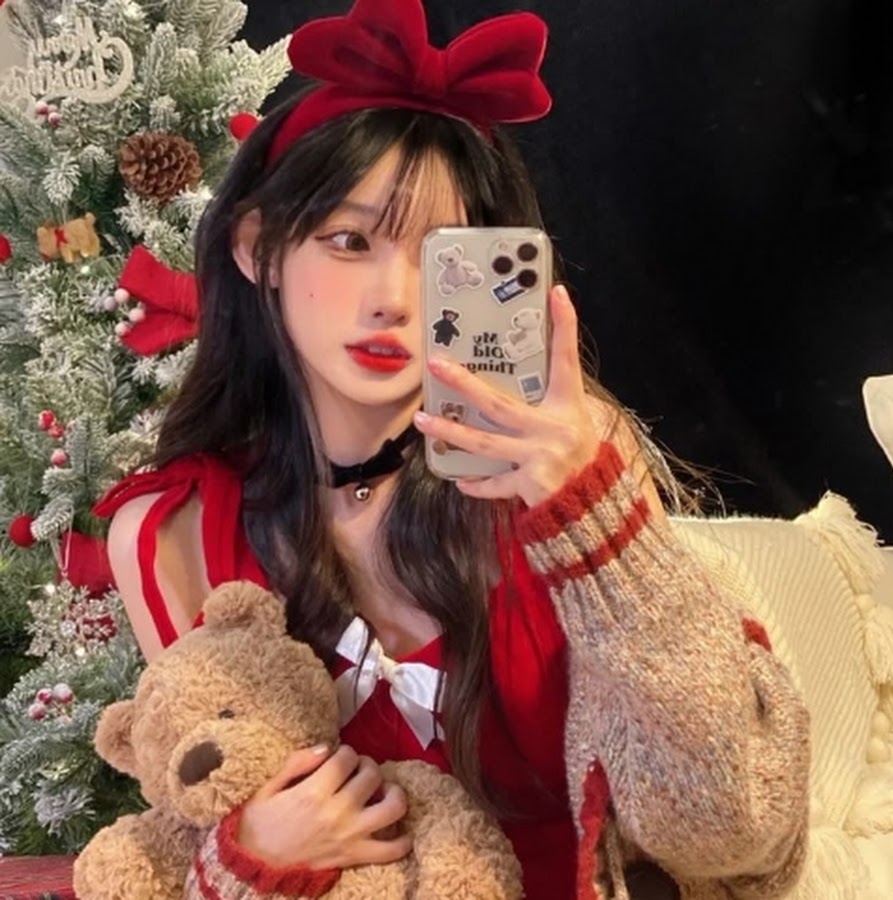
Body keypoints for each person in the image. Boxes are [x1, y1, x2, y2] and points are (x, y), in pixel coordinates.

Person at [93, 0, 811, 897]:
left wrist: (600, 532)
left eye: (444, 255)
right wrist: (254, 858)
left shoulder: (568, 469)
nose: (395, 298)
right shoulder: (171, 536)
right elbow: (190, 812)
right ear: (259, 250)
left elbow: (732, 829)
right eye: (350, 240)